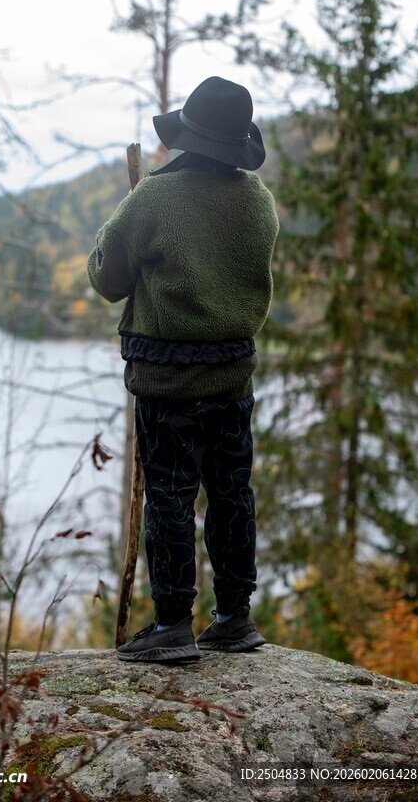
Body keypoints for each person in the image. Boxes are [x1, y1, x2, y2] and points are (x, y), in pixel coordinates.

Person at [87, 75, 279, 664]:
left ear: (189, 137)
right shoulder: (258, 201)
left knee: (170, 496)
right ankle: (234, 619)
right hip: (232, 376)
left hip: (167, 380)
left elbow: (106, 277)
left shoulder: (154, 197)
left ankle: (172, 624)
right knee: (231, 493)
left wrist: (130, 218)